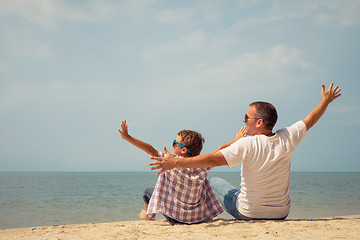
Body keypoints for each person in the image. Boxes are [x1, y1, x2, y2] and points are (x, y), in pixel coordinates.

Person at [149, 83, 341, 220]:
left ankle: (192, 212)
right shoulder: (288, 137)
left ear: (259, 122)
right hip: (281, 214)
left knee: (215, 181)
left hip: (248, 213)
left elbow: (212, 159)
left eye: (246, 117)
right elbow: (310, 119)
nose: (243, 120)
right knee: (238, 189)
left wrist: (176, 162)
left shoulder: (247, 144)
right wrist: (325, 101)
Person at [118, 120, 231, 224]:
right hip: (195, 216)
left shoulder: (170, 161)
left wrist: (127, 137)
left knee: (147, 192)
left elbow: (150, 150)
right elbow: (221, 149)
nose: (172, 145)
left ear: (183, 150)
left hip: (175, 217)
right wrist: (238, 139)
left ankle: (149, 215)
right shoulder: (202, 165)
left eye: (174, 142)